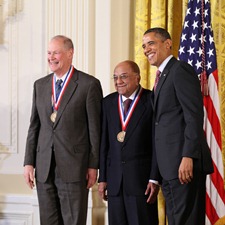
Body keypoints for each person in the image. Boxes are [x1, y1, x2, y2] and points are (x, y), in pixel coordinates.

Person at [23, 35, 103, 225]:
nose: (51, 57)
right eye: (49, 53)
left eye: (56, 52)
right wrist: (29, 163)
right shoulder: (40, 85)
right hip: (44, 169)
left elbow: (95, 129)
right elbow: (34, 126)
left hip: (74, 168)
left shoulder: (88, 84)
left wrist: (93, 165)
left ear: (70, 53)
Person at [142, 27, 214, 225]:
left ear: (167, 44)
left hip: (183, 165)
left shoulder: (179, 70)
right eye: (144, 46)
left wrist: (188, 156)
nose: (146, 49)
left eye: (151, 43)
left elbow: (194, 115)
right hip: (169, 168)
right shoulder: (162, 77)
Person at [98, 60, 160, 225]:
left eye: (124, 77)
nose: (118, 82)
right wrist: (102, 178)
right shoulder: (107, 103)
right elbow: (104, 144)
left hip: (142, 182)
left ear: (137, 77)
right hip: (115, 182)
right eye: (115, 77)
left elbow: (157, 144)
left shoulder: (152, 100)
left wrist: (154, 178)